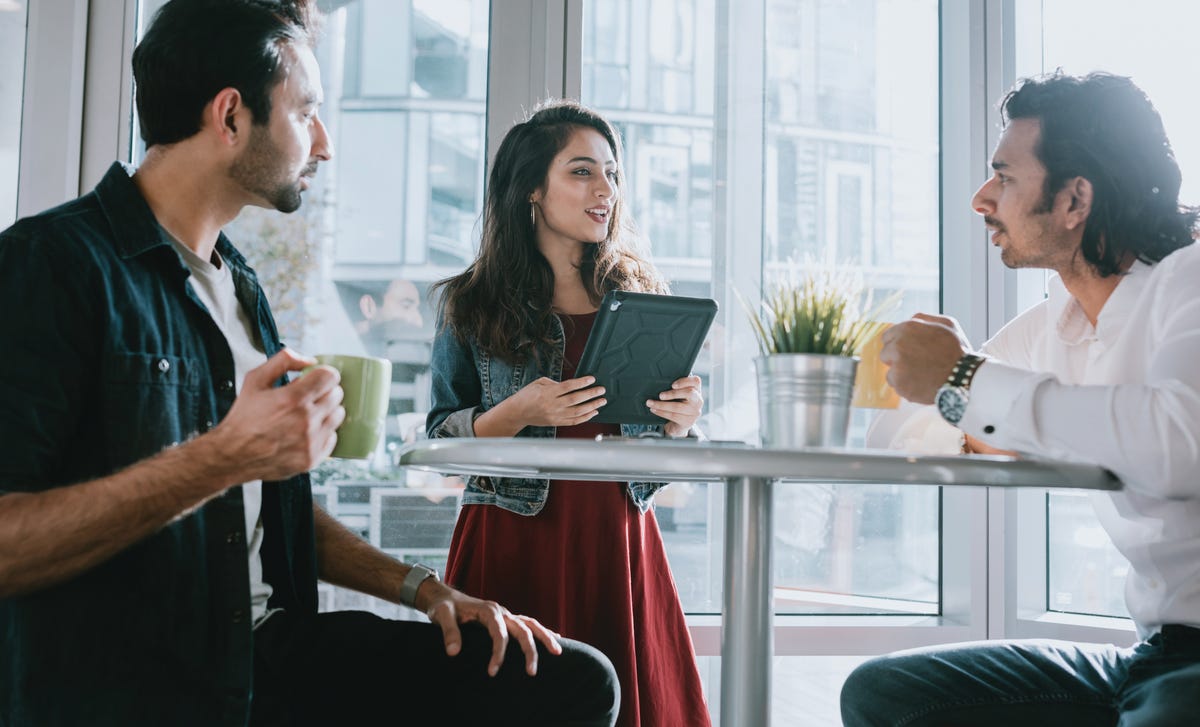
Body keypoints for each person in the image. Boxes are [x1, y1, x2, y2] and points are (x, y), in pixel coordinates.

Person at [0, 2, 619, 725]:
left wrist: (426, 588)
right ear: (230, 117)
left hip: (273, 652)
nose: (323, 143)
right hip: (140, 678)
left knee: (570, 681)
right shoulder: (50, 264)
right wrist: (221, 459)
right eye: (307, 113)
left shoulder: (240, 285)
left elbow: (273, 508)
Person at [840, 71, 1200, 726]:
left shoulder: (1189, 279)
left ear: (1074, 200)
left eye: (1004, 176)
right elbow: (895, 433)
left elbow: (1179, 444)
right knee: (882, 693)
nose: (982, 199)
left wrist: (970, 383)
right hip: (1153, 651)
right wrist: (974, 402)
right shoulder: (1057, 324)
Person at [427, 100, 711, 727]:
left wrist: (683, 422)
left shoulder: (643, 298)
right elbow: (438, 439)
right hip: (509, 542)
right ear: (531, 187)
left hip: (620, 542)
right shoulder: (469, 304)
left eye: (612, 173)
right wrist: (516, 410)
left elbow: (664, 457)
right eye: (583, 171)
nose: (605, 189)